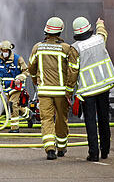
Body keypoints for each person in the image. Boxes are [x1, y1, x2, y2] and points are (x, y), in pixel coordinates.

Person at [28, 16, 79, 160]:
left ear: (46, 31)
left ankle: (50, 148)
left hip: (44, 91)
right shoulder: (67, 48)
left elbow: (31, 67)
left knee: (46, 119)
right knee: (61, 119)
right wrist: (70, 88)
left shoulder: (37, 47)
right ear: (60, 31)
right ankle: (61, 147)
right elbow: (73, 70)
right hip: (61, 92)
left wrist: (36, 81)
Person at [72, 17, 114, 162]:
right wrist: (100, 23)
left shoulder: (75, 48)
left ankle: (93, 154)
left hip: (87, 91)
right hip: (104, 87)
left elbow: (72, 72)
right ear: (89, 28)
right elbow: (102, 32)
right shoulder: (99, 39)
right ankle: (105, 150)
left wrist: (69, 92)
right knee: (104, 118)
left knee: (90, 121)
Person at [0, 39, 29, 132]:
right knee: (15, 106)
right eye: (3, 51)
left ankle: (15, 128)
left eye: (6, 51)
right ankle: (28, 114)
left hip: (16, 87)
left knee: (12, 105)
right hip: (6, 88)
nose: (5, 53)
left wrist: (20, 78)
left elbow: (26, 71)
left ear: (10, 50)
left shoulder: (17, 59)